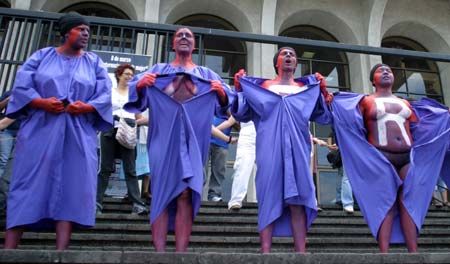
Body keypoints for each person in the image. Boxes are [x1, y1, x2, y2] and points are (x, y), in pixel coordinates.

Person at [3, 12, 112, 250]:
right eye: (80, 29)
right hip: (40, 130)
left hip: (78, 131)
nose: (86, 33)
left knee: (72, 185)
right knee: (28, 182)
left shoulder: (93, 62)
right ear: (66, 32)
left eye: (87, 30)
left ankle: (61, 250)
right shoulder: (42, 56)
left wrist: (87, 106)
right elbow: (22, 86)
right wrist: (40, 102)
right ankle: (10, 248)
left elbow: (105, 94)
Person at [124, 27, 232, 252]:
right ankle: (161, 254)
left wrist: (220, 93)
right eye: (179, 35)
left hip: (194, 141)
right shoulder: (158, 70)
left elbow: (227, 104)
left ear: (194, 46)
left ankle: (180, 254)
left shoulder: (206, 75)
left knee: (186, 193)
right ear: (173, 44)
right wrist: (142, 85)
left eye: (189, 36)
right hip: (163, 139)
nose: (184, 38)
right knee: (161, 193)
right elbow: (136, 97)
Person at [330, 64, 450, 253]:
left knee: (407, 201)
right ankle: (384, 253)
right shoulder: (366, 101)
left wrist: (443, 117)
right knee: (386, 202)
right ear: (373, 80)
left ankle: (413, 252)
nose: (386, 72)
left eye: (389, 70)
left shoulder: (406, 103)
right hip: (381, 158)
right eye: (380, 71)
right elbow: (348, 119)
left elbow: (419, 128)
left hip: (407, 157)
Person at [232, 47, 332, 253]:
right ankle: (265, 253)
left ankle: (301, 253)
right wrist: (239, 89)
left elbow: (323, 115)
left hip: (298, 147)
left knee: (299, 199)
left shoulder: (306, 89)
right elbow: (242, 113)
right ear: (276, 62)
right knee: (268, 195)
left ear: (296, 64)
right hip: (269, 147)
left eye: (292, 55)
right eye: (284, 54)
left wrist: (322, 91)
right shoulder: (263, 87)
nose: (288, 56)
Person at [96, 63, 148, 215]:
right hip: (109, 132)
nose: (129, 77)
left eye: (132, 75)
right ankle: (97, 203)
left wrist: (132, 123)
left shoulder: (133, 96)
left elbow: (140, 118)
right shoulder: (109, 93)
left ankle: (137, 204)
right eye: (127, 74)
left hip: (128, 133)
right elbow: (100, 113)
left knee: (130, 169)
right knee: (105, 168)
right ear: (119, 75)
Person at [205, 114, 235, 202]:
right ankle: (196, 194)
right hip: (204, 139)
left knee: (219, 170)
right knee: (200, 169)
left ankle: (214, 194)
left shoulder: (234, 100)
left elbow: (236, 119)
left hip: (221, 141)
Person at [227, 120, 257, 211]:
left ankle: (264, 200)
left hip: (267, 129)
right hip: (248, 129)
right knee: (243, 166)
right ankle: (236, 200)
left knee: (267, 168)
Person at [327, 131, 354, 214]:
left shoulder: (333, 132)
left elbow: (329, 146)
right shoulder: (346, 130)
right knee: (346, 177)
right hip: (345, 154)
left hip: (338, 158)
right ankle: (346, 201)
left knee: (341, 175)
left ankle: (339, 198)